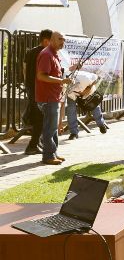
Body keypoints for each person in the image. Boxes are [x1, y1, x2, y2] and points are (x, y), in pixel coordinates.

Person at [35, 31, 71, 165]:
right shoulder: (46, 54)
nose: (62, 41)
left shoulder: (54, 54)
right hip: (47, 97)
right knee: (49, 128)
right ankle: (48, 156)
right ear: (51, 40)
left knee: (53, 127)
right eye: (60, 39)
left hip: (53, 97)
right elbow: (41, 76)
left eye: (63, 39)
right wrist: (61, 81)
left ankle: (53, 153)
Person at [22, 29, 51, 155]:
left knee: (37, 117)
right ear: (46, 40)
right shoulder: (45, 53)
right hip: (40, 89)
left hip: (31, 87)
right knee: (40, 118)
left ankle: (35, 144)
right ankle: (32, 146)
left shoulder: (30, 52)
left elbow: (24, 68)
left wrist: (27, 84)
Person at [65, 70, 108, 140]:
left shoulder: (84, 78)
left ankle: (101, 124)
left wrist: (89, 88)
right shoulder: (66, 88)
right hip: (73, 94)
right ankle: (74, 133)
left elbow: (96, 78)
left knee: (93, 106)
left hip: (88, 90)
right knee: (71, 109)